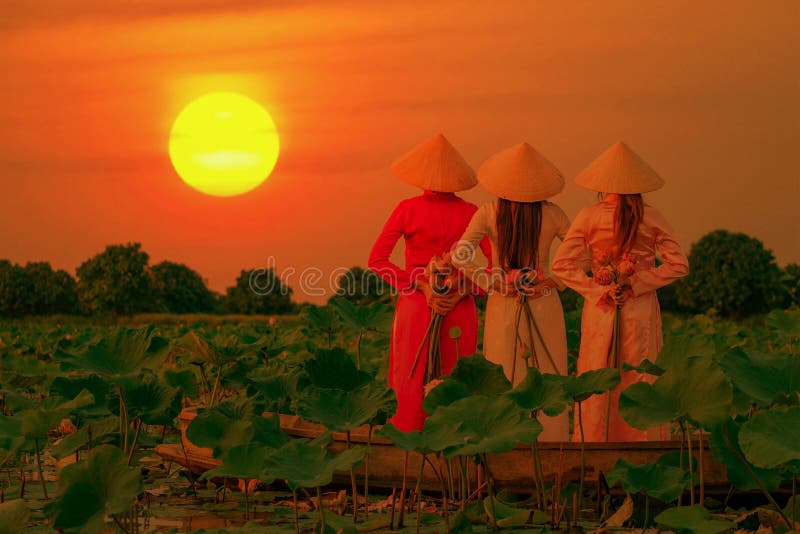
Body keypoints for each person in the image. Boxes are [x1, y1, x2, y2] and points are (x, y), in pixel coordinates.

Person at [552, 141, 689, 442]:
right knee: (638, 374)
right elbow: (679, 265)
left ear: (603, 184)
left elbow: (561, 265)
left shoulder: (589, 215)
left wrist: (596, 290)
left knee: (597, 371)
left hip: (601, 307)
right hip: (638, 308)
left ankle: (596, 443)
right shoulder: (651, 216)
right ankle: (643, 443)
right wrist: (637, 283)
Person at [368, 134, 490, 431]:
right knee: (456, 380)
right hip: (459, 307)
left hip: (415, 304)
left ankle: (409, 453)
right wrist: (462, 289)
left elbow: (377, 261)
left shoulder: (406, 208)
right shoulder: (472, 212)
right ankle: (456, 460)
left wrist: (421, 284)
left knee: (410, 377)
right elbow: (493, 270)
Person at [453, 142, 570, 441]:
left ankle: (505, 443)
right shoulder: (553, 213)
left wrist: (494, 281)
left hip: (502, 300)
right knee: (546, 373)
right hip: (544, 300)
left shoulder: (489, 211)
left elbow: (459, 255)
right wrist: (552, 281)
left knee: (505, 368)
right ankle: (551, 445)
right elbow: (582, 255)